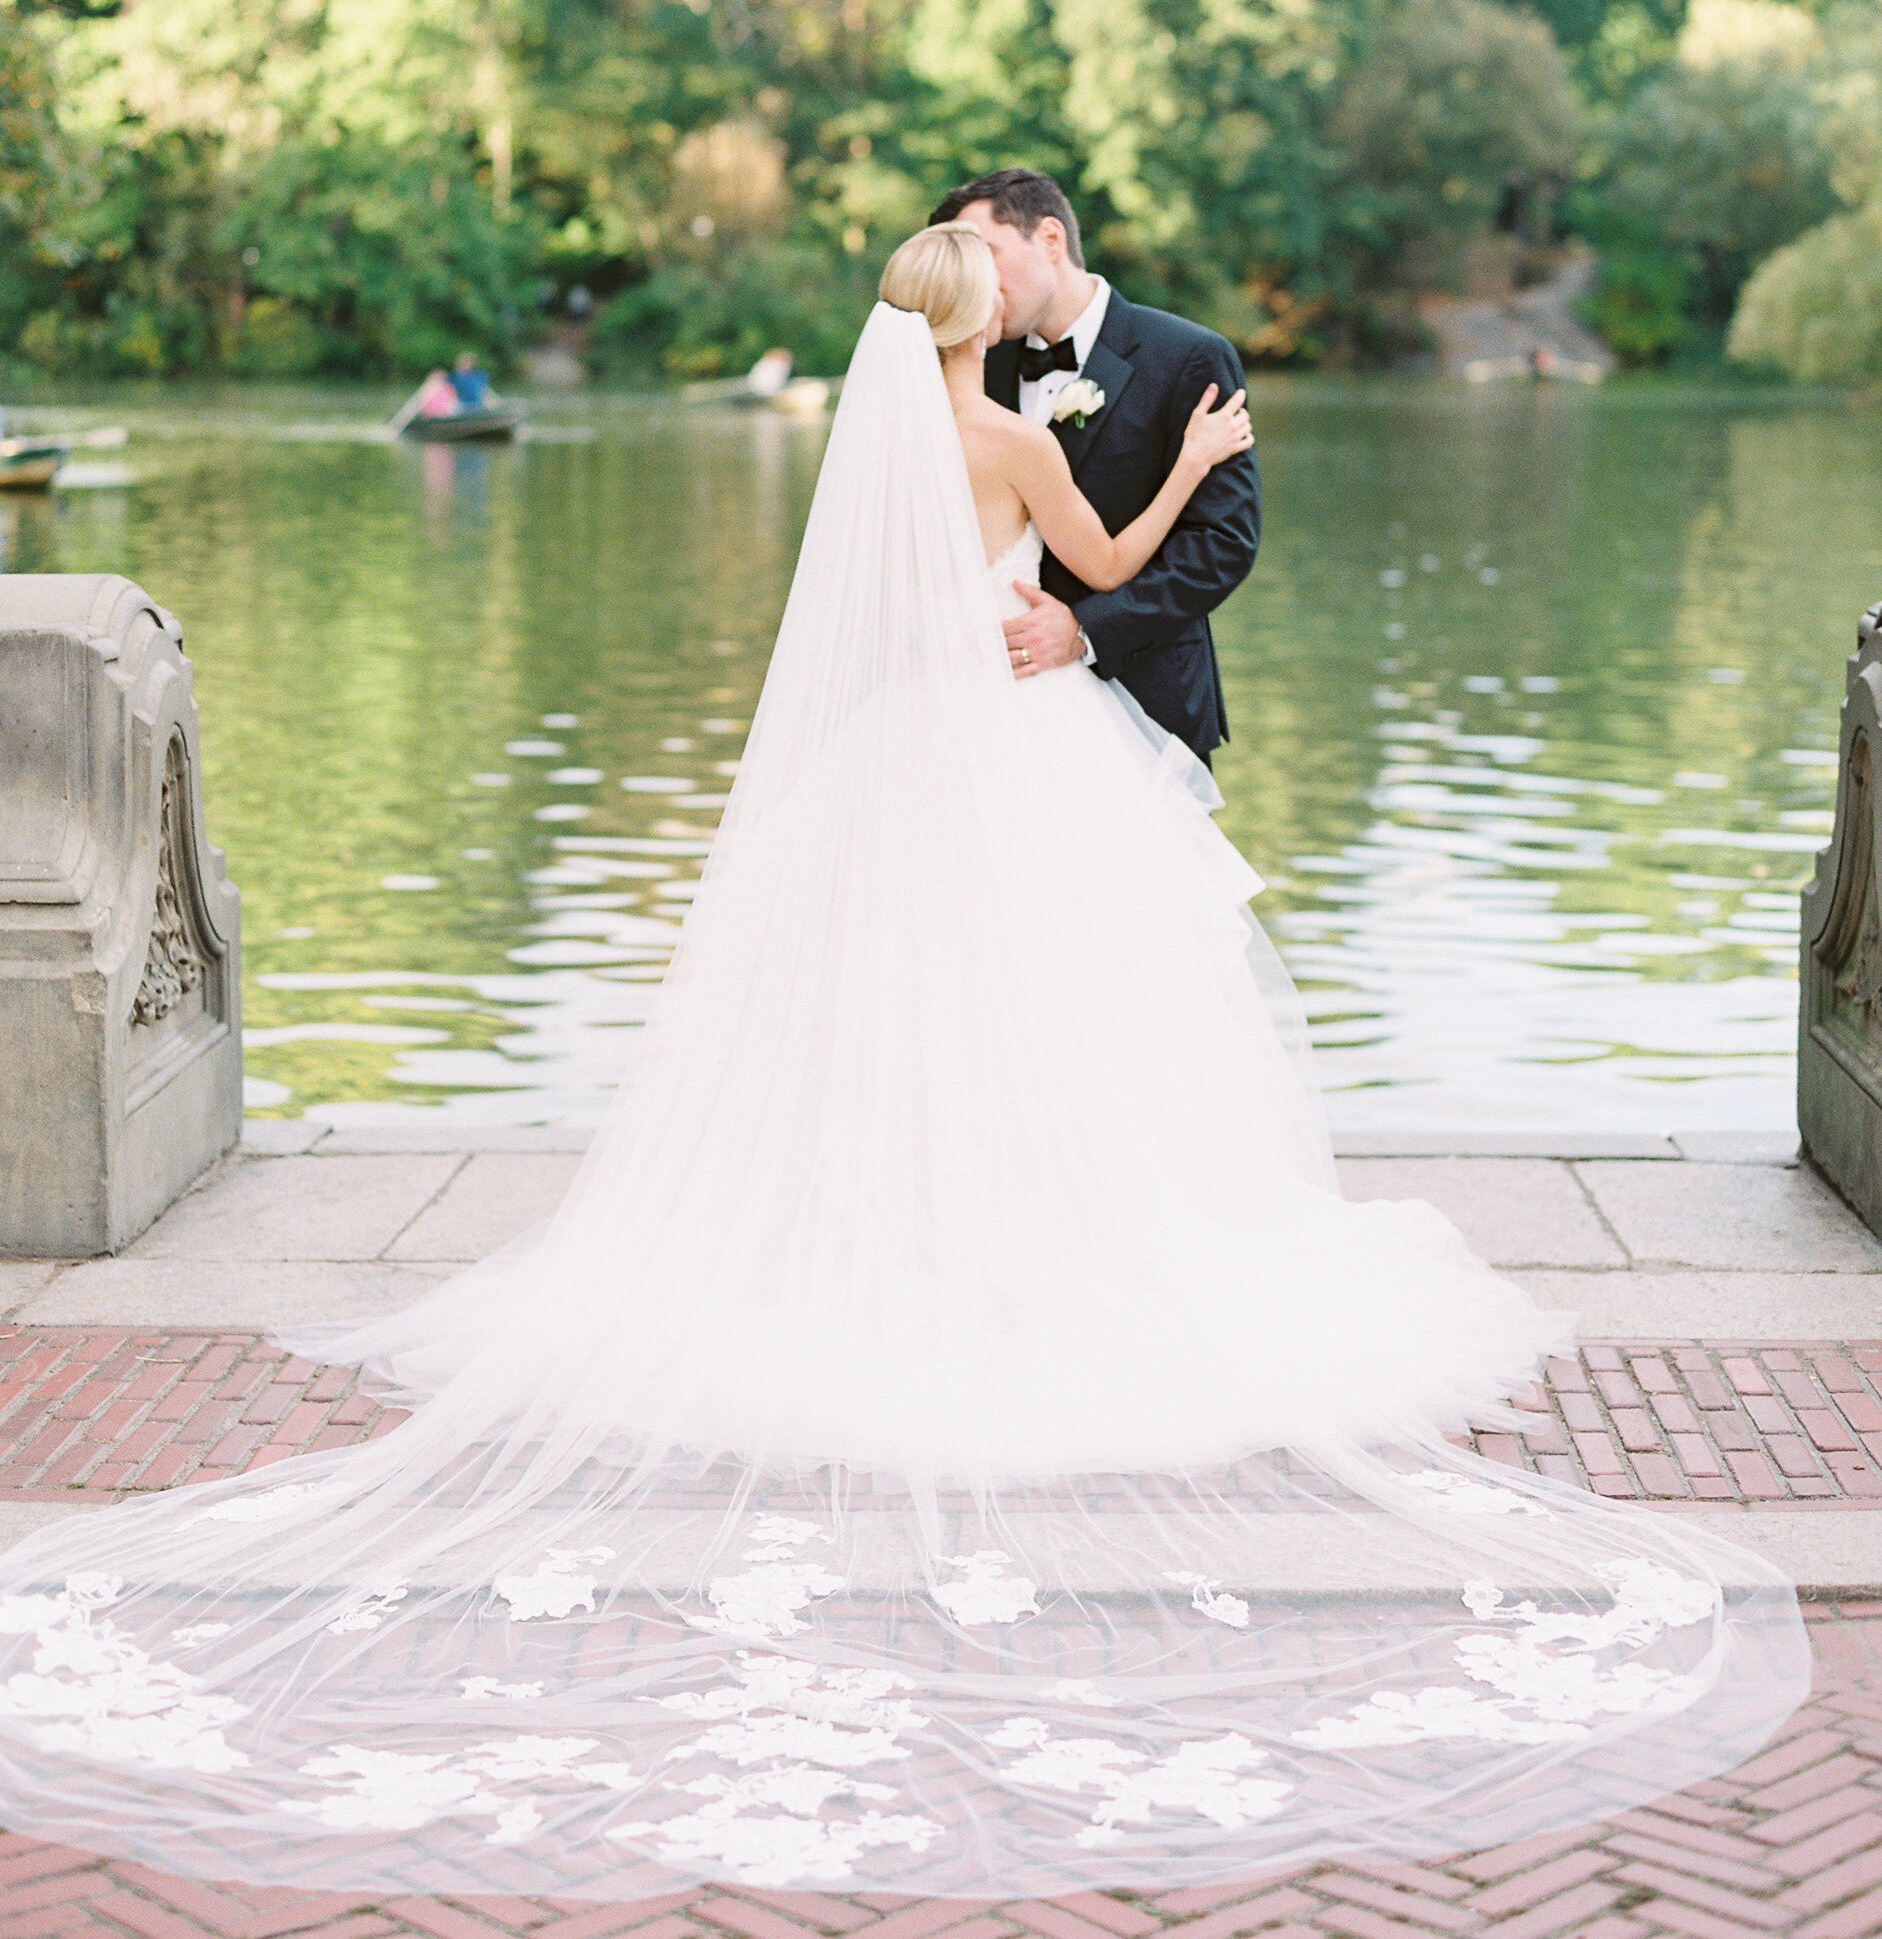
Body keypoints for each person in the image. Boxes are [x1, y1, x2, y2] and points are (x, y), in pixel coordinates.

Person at [0, 225, 1804, 1903]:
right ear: (976, 315)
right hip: (1017, 756)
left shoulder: (866, 461)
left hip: (890, 763)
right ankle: (1041, 1243)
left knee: (879, 1018)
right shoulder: (1017, 444)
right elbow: (1102, 566)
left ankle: (870, 1239)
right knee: (1050, 1018)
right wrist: (1179, 464)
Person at [931, 167, 1258, 763]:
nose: (980, 283)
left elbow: (1222, 545)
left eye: (989, 256)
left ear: (1050, 239)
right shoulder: (975, 366)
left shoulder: (1188, 357)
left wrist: (1084, 631)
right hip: (993, 712)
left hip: (1148, 701)